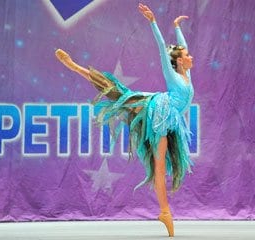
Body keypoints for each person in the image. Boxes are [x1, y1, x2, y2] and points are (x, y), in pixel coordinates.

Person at [55, 3, 194, 237]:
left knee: (164, 164)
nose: (190, 56)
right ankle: (165, 213)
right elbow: (163, 49)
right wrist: (153, 22)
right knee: (117, 93)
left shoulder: (185, 73)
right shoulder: (172, 73)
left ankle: (164, 212)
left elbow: (182, 47)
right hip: (157, 112)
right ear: (179, 61)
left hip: (170, 118)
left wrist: (176, 26)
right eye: (186, 55)